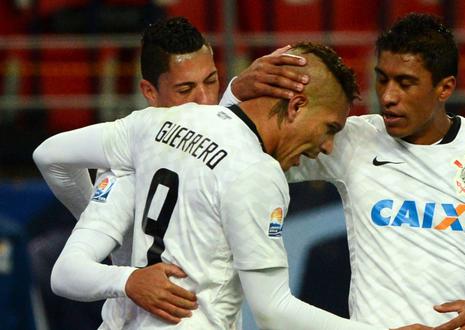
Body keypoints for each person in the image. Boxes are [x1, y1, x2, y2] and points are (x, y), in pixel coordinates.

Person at [34, 42, 410, 330]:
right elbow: (272, 308)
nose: (327, 147)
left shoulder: (156, 124)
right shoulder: (257, 173)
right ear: (295, 106)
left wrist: (121, 258)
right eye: (329, 128)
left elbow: (51, 155)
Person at [33, 16, 310, 328]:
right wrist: (126, 273)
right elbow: (49, 158)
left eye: (212, 80)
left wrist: (233, 94)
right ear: (150, 92)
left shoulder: (230, 146)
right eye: (185, 88)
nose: (204, 100)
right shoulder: (130, 157)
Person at [271, 13, 465, 330]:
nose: (387, 96)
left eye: (405, 83)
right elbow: (250, 153)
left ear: (444, 88)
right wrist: (237, 93)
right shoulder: (352, 139)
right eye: (382, 78)